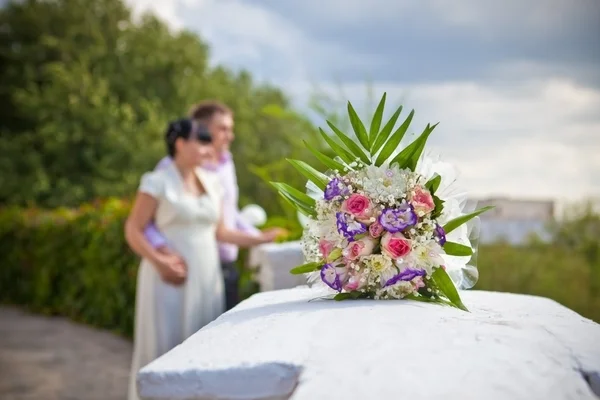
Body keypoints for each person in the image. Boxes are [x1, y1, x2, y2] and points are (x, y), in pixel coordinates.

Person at [124, 118, 279, 400]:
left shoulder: (212, 183)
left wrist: (260, 238)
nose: (210, 147)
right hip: (168, 278)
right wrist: (160, 263)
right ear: (180, 144)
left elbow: (222, 232)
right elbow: (133, 229)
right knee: (165, 345)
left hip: (207, 278)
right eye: (202, 140)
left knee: (202, 344)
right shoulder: (156, 181)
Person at [144, 101, 281, 310]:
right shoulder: (169, 168)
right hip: (183, 265)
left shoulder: (226, 164)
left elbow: (228, 213)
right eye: (223, 128)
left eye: (230, 129)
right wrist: (162, 251)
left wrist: (258, 237)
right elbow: (147, 221)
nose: (230, 136)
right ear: (202, 129)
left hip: (220, 268)